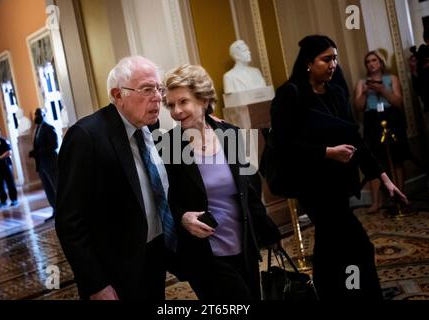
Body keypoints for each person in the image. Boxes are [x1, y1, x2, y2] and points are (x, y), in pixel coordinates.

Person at [268, 35, 407, 300]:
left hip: (338, 184)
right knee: (359, 246)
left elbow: (355, 139)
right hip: (313, 186)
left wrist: (385, 178)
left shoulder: (336, 92)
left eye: (335, 58)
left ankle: (333, 294)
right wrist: (327, 152)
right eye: (326, 59)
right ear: (309, 62)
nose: (333, 64)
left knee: (331, 248)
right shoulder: (291, 94)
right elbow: (283, 145)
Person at [55, 56, 176, 300]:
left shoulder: (150, 127)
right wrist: (96, 284)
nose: (158, 97)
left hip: (154, 254)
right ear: (118, 95)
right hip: (115, 271)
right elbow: (70, 223)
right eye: (146, 89)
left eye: (159, 89)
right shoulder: (86, 137)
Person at [163, 64, 281, 300]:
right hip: (206, 254)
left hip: (243, 247)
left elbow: (249, 189)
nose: (176, 111)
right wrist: (182, 217)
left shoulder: (230, 134)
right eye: (171, 105)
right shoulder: (169, 145)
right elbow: (165, 199)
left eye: (183, 102)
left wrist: (269, 231)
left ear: (204, 100)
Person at [353, 51, 410, 214]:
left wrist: (383, 90)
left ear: (380, 62)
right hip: (372, 120)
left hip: (391, 117)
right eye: (368, 62)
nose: (371, 64)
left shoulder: (391, 79)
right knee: (374, 161)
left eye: (374, 60)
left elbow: (399, 102)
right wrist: (364, 92)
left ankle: (401, 196)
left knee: (397, 157)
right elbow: (358, 108)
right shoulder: (361, 83)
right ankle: (376, 202)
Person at [29, 108, 58, 221]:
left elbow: (54, 145)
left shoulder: (49, 128)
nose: (37, 116)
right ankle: (55, 210)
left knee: (56, 187)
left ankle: (64, 210)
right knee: (48, 189)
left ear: (44, 114)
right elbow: (38, 146)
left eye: (39, 114)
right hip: (41, 164)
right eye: (36, 114)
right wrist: (34, 152)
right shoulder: (37, 130)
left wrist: (40, 151)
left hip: (51, 163)